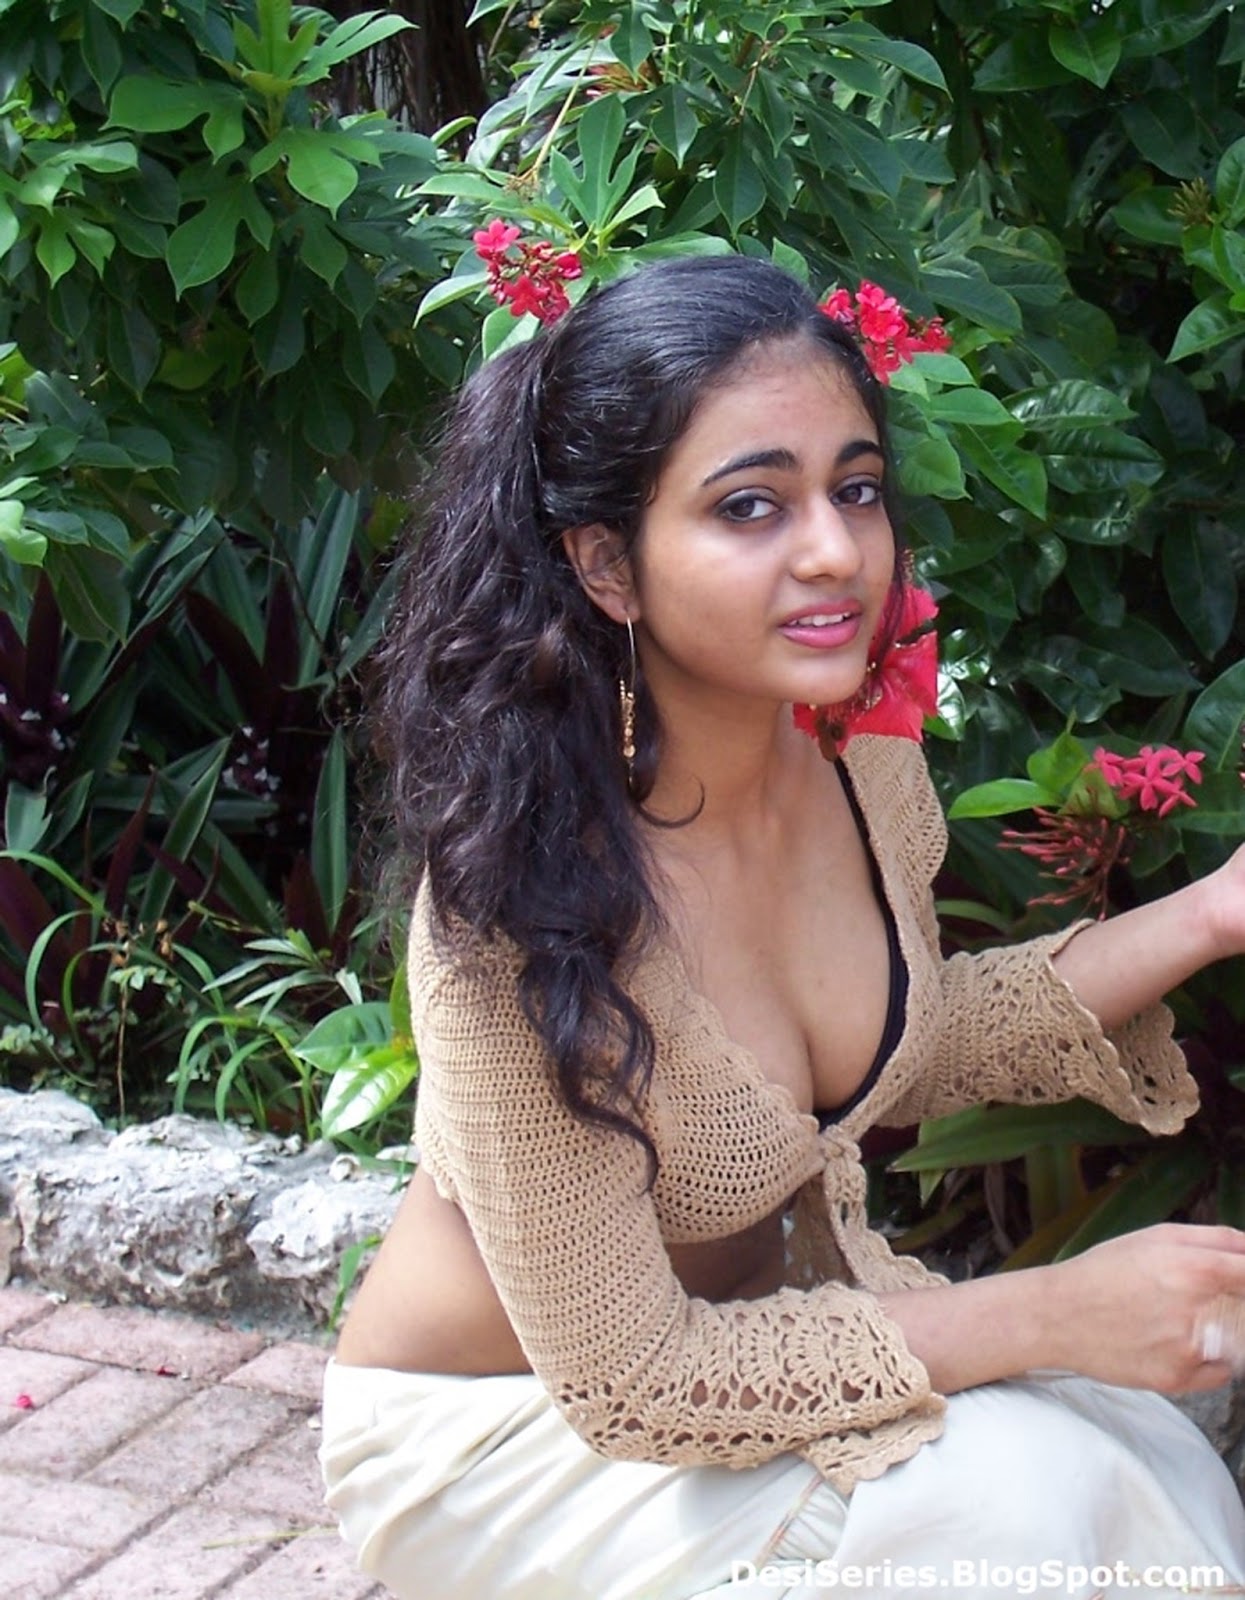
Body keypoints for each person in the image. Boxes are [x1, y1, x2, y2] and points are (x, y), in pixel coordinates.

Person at [319, 255, 1245, 1599]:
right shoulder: (518, 904)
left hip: (753, 1340)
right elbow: (637, 1381)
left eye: (854, 489)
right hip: (507, 1435)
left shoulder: (859, 774)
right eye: (749, 505)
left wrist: (1214, 911)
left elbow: (905, 1036)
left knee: (1140, 1467)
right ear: (607, 565)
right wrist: (1056, 1309)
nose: (833, 551)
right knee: (1025, 1504)